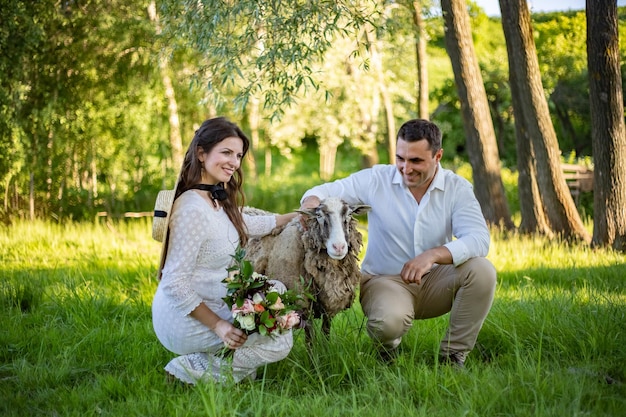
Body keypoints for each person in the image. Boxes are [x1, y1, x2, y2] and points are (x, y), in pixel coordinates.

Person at [299, 119, 496, 368]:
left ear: (438, 156)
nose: (405, 168)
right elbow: (326, 190)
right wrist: (312, 201)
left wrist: (434, 255)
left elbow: (479, 238)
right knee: (387, 324)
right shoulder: (376, 179)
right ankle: (388, 349)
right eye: (400, 158)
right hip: (386, 281)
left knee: (482, 271)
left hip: (437, 281)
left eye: (416, 161)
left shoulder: (456, 188)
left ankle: (453, 356)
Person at [152, 117, 299, 384]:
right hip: (185, 317)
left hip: (214, 297)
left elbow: (244, 223)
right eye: (226, 152)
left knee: (276, 290)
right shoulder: (191, 210)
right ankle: (187, 368)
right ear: (201, 153)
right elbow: (173, 282)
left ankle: (229, 367)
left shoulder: (212, 198)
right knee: (280, 341)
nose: (234, 162)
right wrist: (219, 326)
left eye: (239, 155)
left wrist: (295, 217)